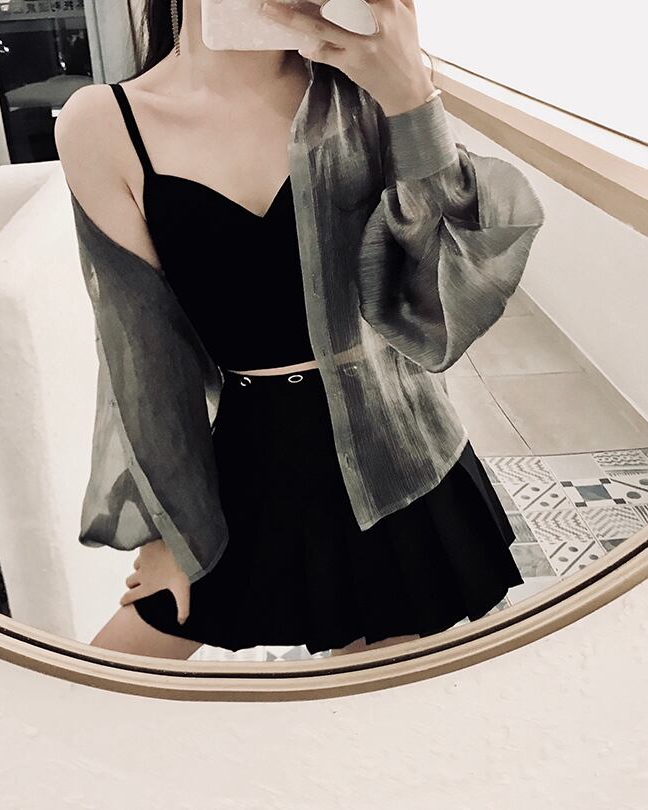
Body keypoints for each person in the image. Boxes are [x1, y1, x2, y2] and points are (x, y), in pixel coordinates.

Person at [55, 0, 543, 660]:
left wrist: (410, 96)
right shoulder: (103, 123)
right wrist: (166, 527)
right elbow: (145, 352)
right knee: (112, 680)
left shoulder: (363, 94)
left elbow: (445, 284)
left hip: (396, 454)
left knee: (377, 707)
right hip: (252, 457)